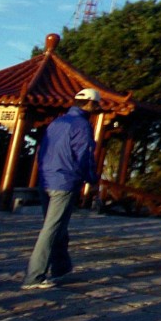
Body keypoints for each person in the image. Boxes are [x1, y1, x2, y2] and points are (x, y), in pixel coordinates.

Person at [22, 87, 100, 290]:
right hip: (64, 182)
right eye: (97, 105)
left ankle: (61, 267)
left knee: (58, 226)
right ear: (90, 104)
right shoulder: (82, 125)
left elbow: (42, 150)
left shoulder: (57, 122)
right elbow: (84, 155)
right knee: (52, 228)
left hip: (46, 179)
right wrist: (91, 180)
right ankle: (34, 276)